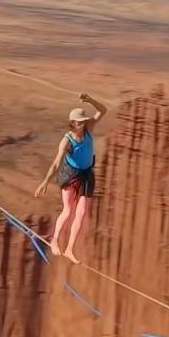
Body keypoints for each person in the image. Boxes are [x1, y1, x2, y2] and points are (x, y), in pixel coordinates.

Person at [34, 92, 107, 264]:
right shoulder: (66, 141)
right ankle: (55, 240)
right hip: (70, 175)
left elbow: (103, 110)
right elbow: (56, 163)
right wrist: (45, 182)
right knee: (68, 211)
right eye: (80, 122)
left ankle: (69, 249)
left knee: (81, 213)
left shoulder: (89, 129)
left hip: (87, 174)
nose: (83, 124)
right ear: (73, 123)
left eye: (84, 121)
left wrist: (90, 100)